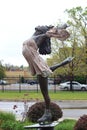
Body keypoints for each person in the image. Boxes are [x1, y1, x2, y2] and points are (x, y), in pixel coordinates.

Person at [22, 25, 71, 124]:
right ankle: (47, 113)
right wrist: (63, 63)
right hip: (37, 62)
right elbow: (48, 70)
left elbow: (52, 31)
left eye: (43, 26)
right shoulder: (34, 37)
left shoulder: (43, 36)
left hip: (38, 63)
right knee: (45, 92)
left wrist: (63, 26)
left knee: (45, 94)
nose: (41, 25)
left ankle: (47, 113)